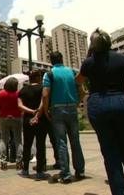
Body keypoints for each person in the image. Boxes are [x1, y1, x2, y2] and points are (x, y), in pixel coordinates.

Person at [77, 29, 124, 195]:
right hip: (122, 102)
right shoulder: (123, 59)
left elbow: (78, 80)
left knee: (110, 154)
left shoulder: (89, 63)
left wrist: (88, 58)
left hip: (99, 104)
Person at [42, 51, 85, 183]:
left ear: (51, 61)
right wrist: (76, 103)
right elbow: (82, 92)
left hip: (57, 109)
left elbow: (45, 95)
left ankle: (65, 174)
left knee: (61, 142)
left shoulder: (49, 74)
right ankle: (80, 171)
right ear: (62, 59)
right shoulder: (72, 72)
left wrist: (45, 110)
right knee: (75, 141)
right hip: (72, 108)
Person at [17, 70, 49, 180]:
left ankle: (25, 170)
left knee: (27, 144)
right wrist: (37, 114)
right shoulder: (42, 88)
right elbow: (43, 101)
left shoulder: (23, 90)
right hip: (41, 120)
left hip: (27, 120)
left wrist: (31, 112)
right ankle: (40, 171)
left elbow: (19, 105)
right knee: (40, 145)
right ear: (39, 78)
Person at [0, 77, 23, 170]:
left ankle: (3, 162)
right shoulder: (18, 94)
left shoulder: (1, 94)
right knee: (18, 140)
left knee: (3, 140)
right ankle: (19, 162)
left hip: (4, 117)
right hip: (17, 117)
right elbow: (21, 106)